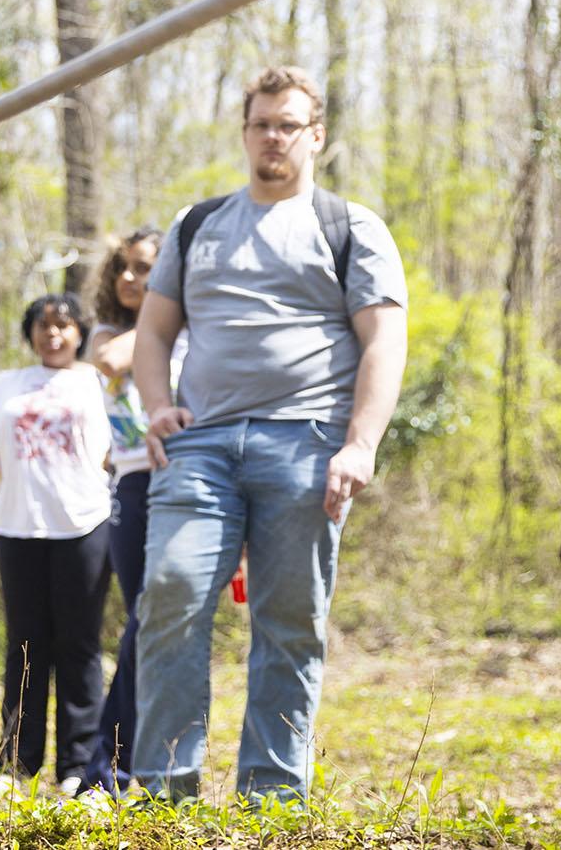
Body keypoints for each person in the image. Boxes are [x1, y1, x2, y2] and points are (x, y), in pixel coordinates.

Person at [131, 65, 408, 805]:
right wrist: (157, 404)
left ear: (316, 136)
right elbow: (153, 332)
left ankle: (271, 794)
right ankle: (162, 788)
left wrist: (360, 443)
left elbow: (383, 341)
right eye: (261, 123)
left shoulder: (350, 226)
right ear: (245, 131)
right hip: (201, 445)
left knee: (289, 620)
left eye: (288, 124)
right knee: (170, 590)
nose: (273, 137)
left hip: (307, 444)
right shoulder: (198, 223)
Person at [0, 294, 113, 796]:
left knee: (79, 646)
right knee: (26, 646)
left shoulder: (96, 380)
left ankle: (80, 766)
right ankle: (15, 764)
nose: (52, 334)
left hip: (85, 524)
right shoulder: (9, 384)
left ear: (79, 331)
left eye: (62, 325)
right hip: (18, 527)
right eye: (42, 325)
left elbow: (129, 427)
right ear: (29, 333)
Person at [77, 227, 164, 795]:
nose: (131, 278)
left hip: (192, 479)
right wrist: (168, 309)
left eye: (146, 269)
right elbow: (107, 360)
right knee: (143, 622)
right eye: (124, 268)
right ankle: (109, 768)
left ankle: (123, 766)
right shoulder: (113, 332)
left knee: (157, 625)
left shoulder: (185, 330)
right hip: (134, 487)